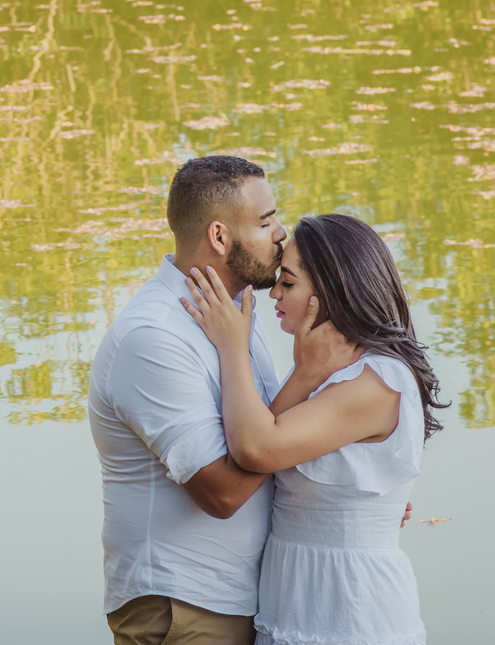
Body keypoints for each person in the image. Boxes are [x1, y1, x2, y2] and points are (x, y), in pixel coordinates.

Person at [88, 155, 361, 644]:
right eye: (265, 220)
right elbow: (223, 492)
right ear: (219, 236)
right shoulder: (154, 337)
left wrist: (344, 490)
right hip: (185, 608)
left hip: (250, 598)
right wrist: (304, 377)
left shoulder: (233, 310)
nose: (281, 233)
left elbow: (269, 439)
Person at [180, 214, 447, 645]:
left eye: (288, 282)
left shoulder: (375, 380)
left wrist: (233, 346)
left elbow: (255, 448)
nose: (275, 294)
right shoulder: (333, 370)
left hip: (349, 607)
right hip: (299, 598)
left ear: (328, 295)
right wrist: (305, 374)